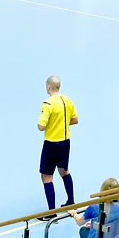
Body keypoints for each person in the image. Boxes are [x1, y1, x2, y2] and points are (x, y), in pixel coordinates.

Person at [38, 75, 78, 210]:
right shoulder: (68, 101)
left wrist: (51, 125)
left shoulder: (47, 104)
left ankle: (52, 211)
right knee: (64, 171)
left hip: (51, 144)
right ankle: (71, 201)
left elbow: (41, 126)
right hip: (65, 143)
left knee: (46, 177)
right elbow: (75, 120)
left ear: (49, 87)